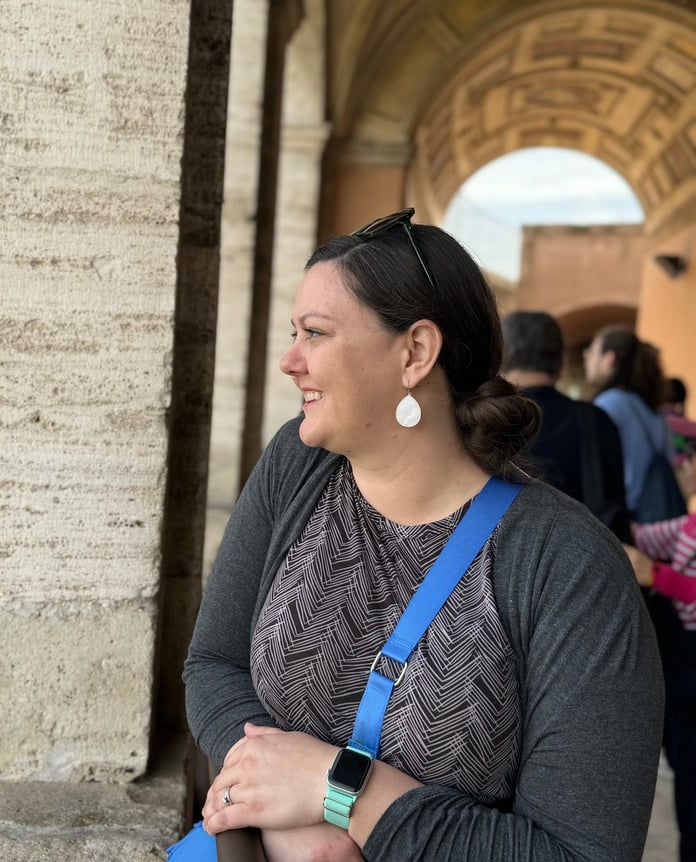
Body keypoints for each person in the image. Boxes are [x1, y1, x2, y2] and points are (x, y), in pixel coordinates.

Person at [183, 209, 664, 862]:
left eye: (315, 333)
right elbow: (213, 664)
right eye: (294, 332)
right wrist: (280, 806)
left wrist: (342, 793)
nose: (289, 361)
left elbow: (584, 853)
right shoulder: (298, 468)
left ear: (414, 353)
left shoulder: (570, 569)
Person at [585, 326, 694, 862]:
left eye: (592, 350)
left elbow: (619, 496)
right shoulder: (649, 411)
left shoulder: (609, 407)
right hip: (667, 572)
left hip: (649, 577)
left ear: (608, 359)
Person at [501, 310, 630, 542]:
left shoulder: (486, 420)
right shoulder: (597, 421)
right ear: (562, 363)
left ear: (500, 360)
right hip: (582, 562)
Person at [583, 325, 684, 521]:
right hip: (656, 519)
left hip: (622, 521)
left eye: (592, 352)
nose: (587, 359)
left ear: (609, 359)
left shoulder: (610, 403)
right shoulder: (656, 412)